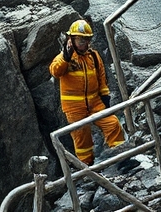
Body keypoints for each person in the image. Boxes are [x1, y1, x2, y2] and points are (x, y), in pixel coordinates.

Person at [49, 20, 128, 167]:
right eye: (80, 39)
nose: (84, 43)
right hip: (74, 108)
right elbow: (55, 71)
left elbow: (101, 78)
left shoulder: (93, 56)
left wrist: (105, 97)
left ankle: (123, 158)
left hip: (95, 102)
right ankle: (88, 169)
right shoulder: (64, 58)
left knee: (113, 124)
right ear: (71, 39)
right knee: (82, 139)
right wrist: (65, 58)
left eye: (87, 39)